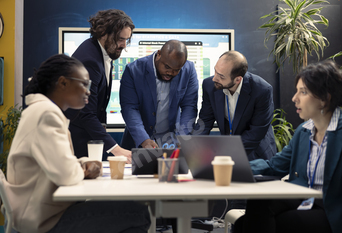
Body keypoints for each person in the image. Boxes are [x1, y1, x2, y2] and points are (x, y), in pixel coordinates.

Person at [6, 54, 150, 233]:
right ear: (63, 83)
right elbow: (66, 175)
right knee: (138, 213)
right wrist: (83, 168)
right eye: (84, 84)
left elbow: (57, 163)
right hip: (44, 221)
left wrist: (83, 164)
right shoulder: (46, 114)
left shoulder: (41, 110)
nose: (89, 91)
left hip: (42, 212)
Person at [234, 60, 342, 233]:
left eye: (302, 92)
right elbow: (274, 166)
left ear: (325, 97)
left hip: (331, 206)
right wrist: (234, 169)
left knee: (282, 223)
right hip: (302, 198)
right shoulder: (303, 132)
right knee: (250, 212)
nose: (294, 98)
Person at [64, 9, 134, 161]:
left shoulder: (102, 52)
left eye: (126, 40)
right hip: (78, 141)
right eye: (120, 39)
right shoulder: (89, 61)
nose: (124, 45)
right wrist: (117, 149)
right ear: (103, 33)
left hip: (90, 139)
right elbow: (86, 113)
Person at [193, 51, 276, 161]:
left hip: (256, 154)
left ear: (238, 79)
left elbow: (256, 132)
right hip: (228, 154)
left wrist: (227, 152)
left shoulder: (262, 90)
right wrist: (194, 147)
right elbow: (205, 121)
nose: (214, 78)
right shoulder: (210, 85)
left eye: (221, 76)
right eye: (215, 71)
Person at [119, 39, 198, 149]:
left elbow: (189, 106)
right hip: (138, 142)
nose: (170, 73)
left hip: (172, 143)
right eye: (167, 67)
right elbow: (130, 108)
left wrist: (182, 137)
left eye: (176, 70)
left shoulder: (188, 70)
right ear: (159, 54)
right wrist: (144, 139)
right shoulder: (133, 70)